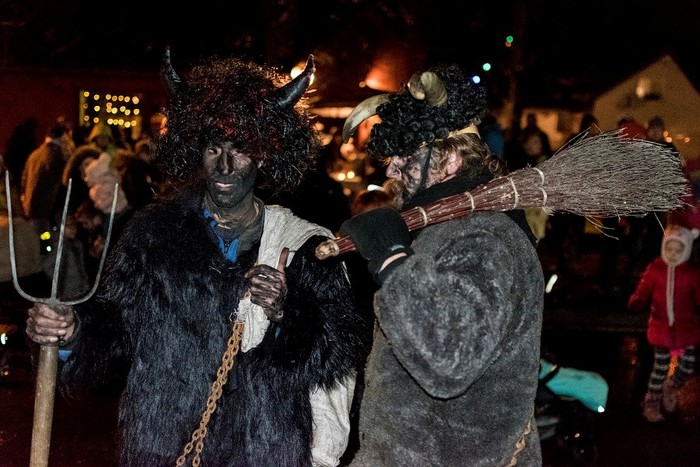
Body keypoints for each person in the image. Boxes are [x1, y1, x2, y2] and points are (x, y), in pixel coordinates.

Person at [25, 51, 372, 467]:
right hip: (164, 447)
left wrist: (286, 311)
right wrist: (71, 331)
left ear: (264, 154)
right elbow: (116, 324)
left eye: (240, 150)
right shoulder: (155, 235)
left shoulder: (303, 248)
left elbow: (334, 357)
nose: (224, 166)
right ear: (196, 150)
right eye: (213, 149)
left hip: (262, 451)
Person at [338, 64, 544, 465]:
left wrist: (391, 256)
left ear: (450, 160)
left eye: (406, 155)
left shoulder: (486, 238)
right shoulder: (448, 228)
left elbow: (449, 359)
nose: (391, 168)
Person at [627, 224, 700, 423]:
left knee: (687, 366)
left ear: (687, 250)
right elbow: (643, 290)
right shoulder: (656, 269)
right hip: (661, 328)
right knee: (659, 370)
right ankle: (651, 403)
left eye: (679, 250)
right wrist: (636, 301)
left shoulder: (692, 274)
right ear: (663, 247)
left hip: (685, 328)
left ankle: (671, 386)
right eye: (670, 248)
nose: (673, 254)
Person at [20, 117, 75, 240]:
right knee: (47, 243)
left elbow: (23, 182)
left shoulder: (34, 155)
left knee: (35, 241)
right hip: (47, 212)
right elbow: (62, 184)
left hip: (30, 209)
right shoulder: (56, 156)